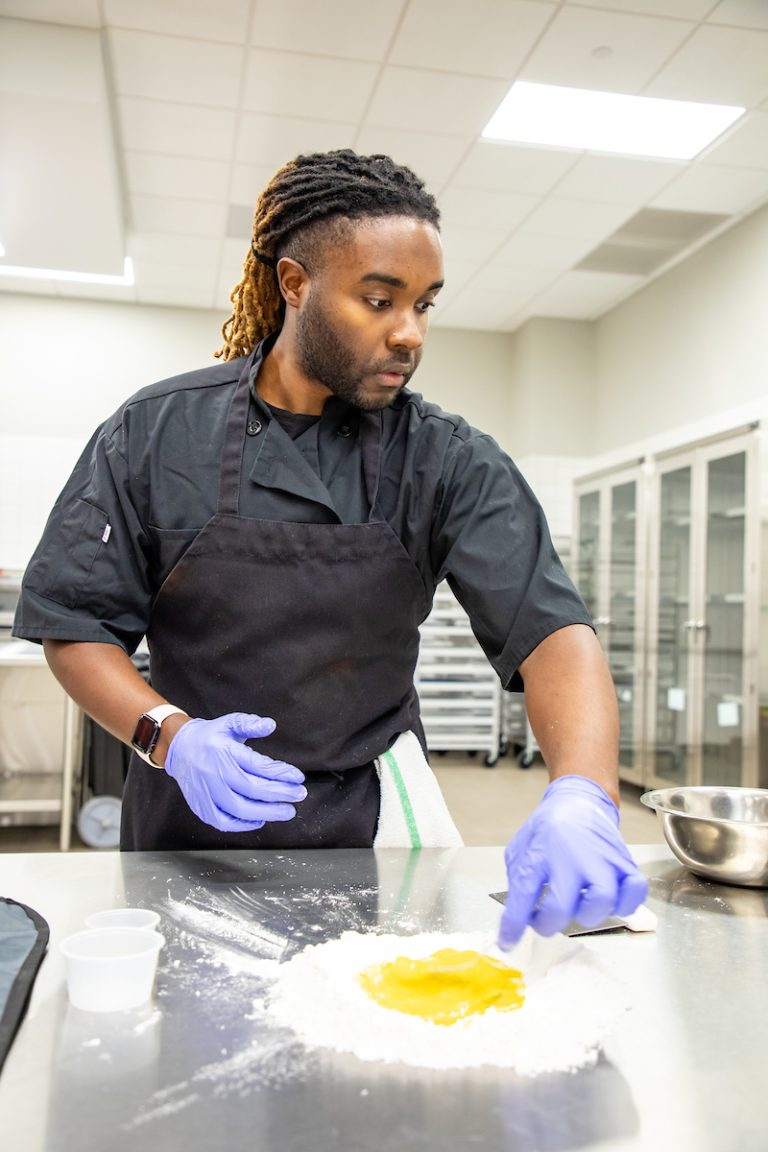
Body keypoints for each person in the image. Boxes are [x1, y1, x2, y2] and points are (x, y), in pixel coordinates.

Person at [14, 149, 647, 945]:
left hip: (375, 830)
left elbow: (552, 633)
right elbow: (77, 625)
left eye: (424, 304)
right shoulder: (157, 433)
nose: (409, 333)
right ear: (294, 283)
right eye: (379, 300)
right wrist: (168, 736)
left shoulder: (446, 459)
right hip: (190, 820)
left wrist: (583, 793)